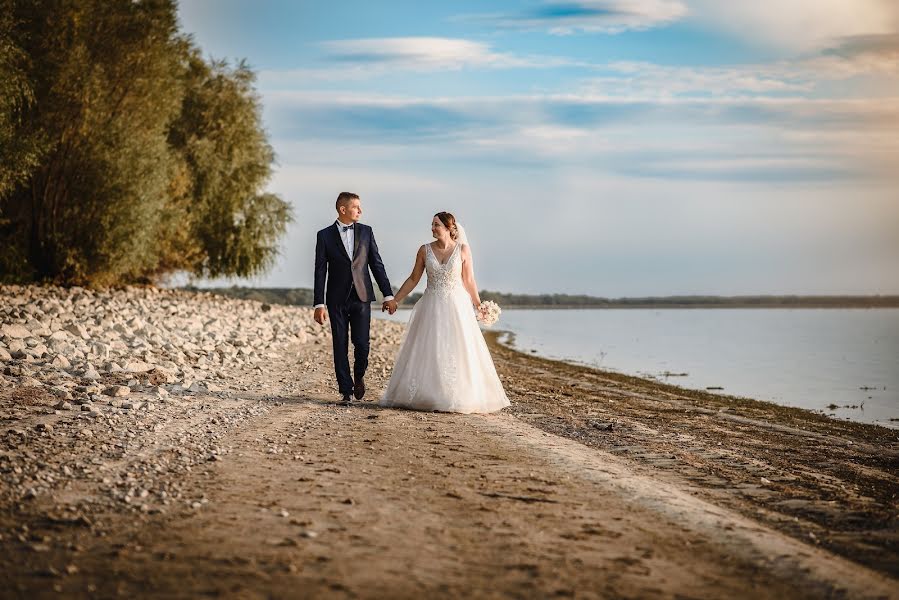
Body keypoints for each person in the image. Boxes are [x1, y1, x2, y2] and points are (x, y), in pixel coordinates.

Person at [378, 212, 510, 414]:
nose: (432, 228)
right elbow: (413, 279)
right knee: (430, 347)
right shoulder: (424, 250)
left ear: (449, 228)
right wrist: (396, 299)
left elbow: (469, 280)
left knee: (458, 347)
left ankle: (460, 395)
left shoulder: (463, 250)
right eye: (432, 224)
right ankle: (428, 393)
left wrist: (478, 304)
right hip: (431, 305)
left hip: (457, 306)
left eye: (436, 225)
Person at [313, 192, 397, 404]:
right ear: (343, 210)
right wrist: (319, 303)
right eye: (356, 207)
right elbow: (320, 271)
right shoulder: (324, 236)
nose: (360, 211)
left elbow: (377, 265)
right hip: (336, 298)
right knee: (339, 343)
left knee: (362, 343)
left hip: (362, 296)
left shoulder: (366, 232)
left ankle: (359, 375)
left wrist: (387, 295)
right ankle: (346, 390)